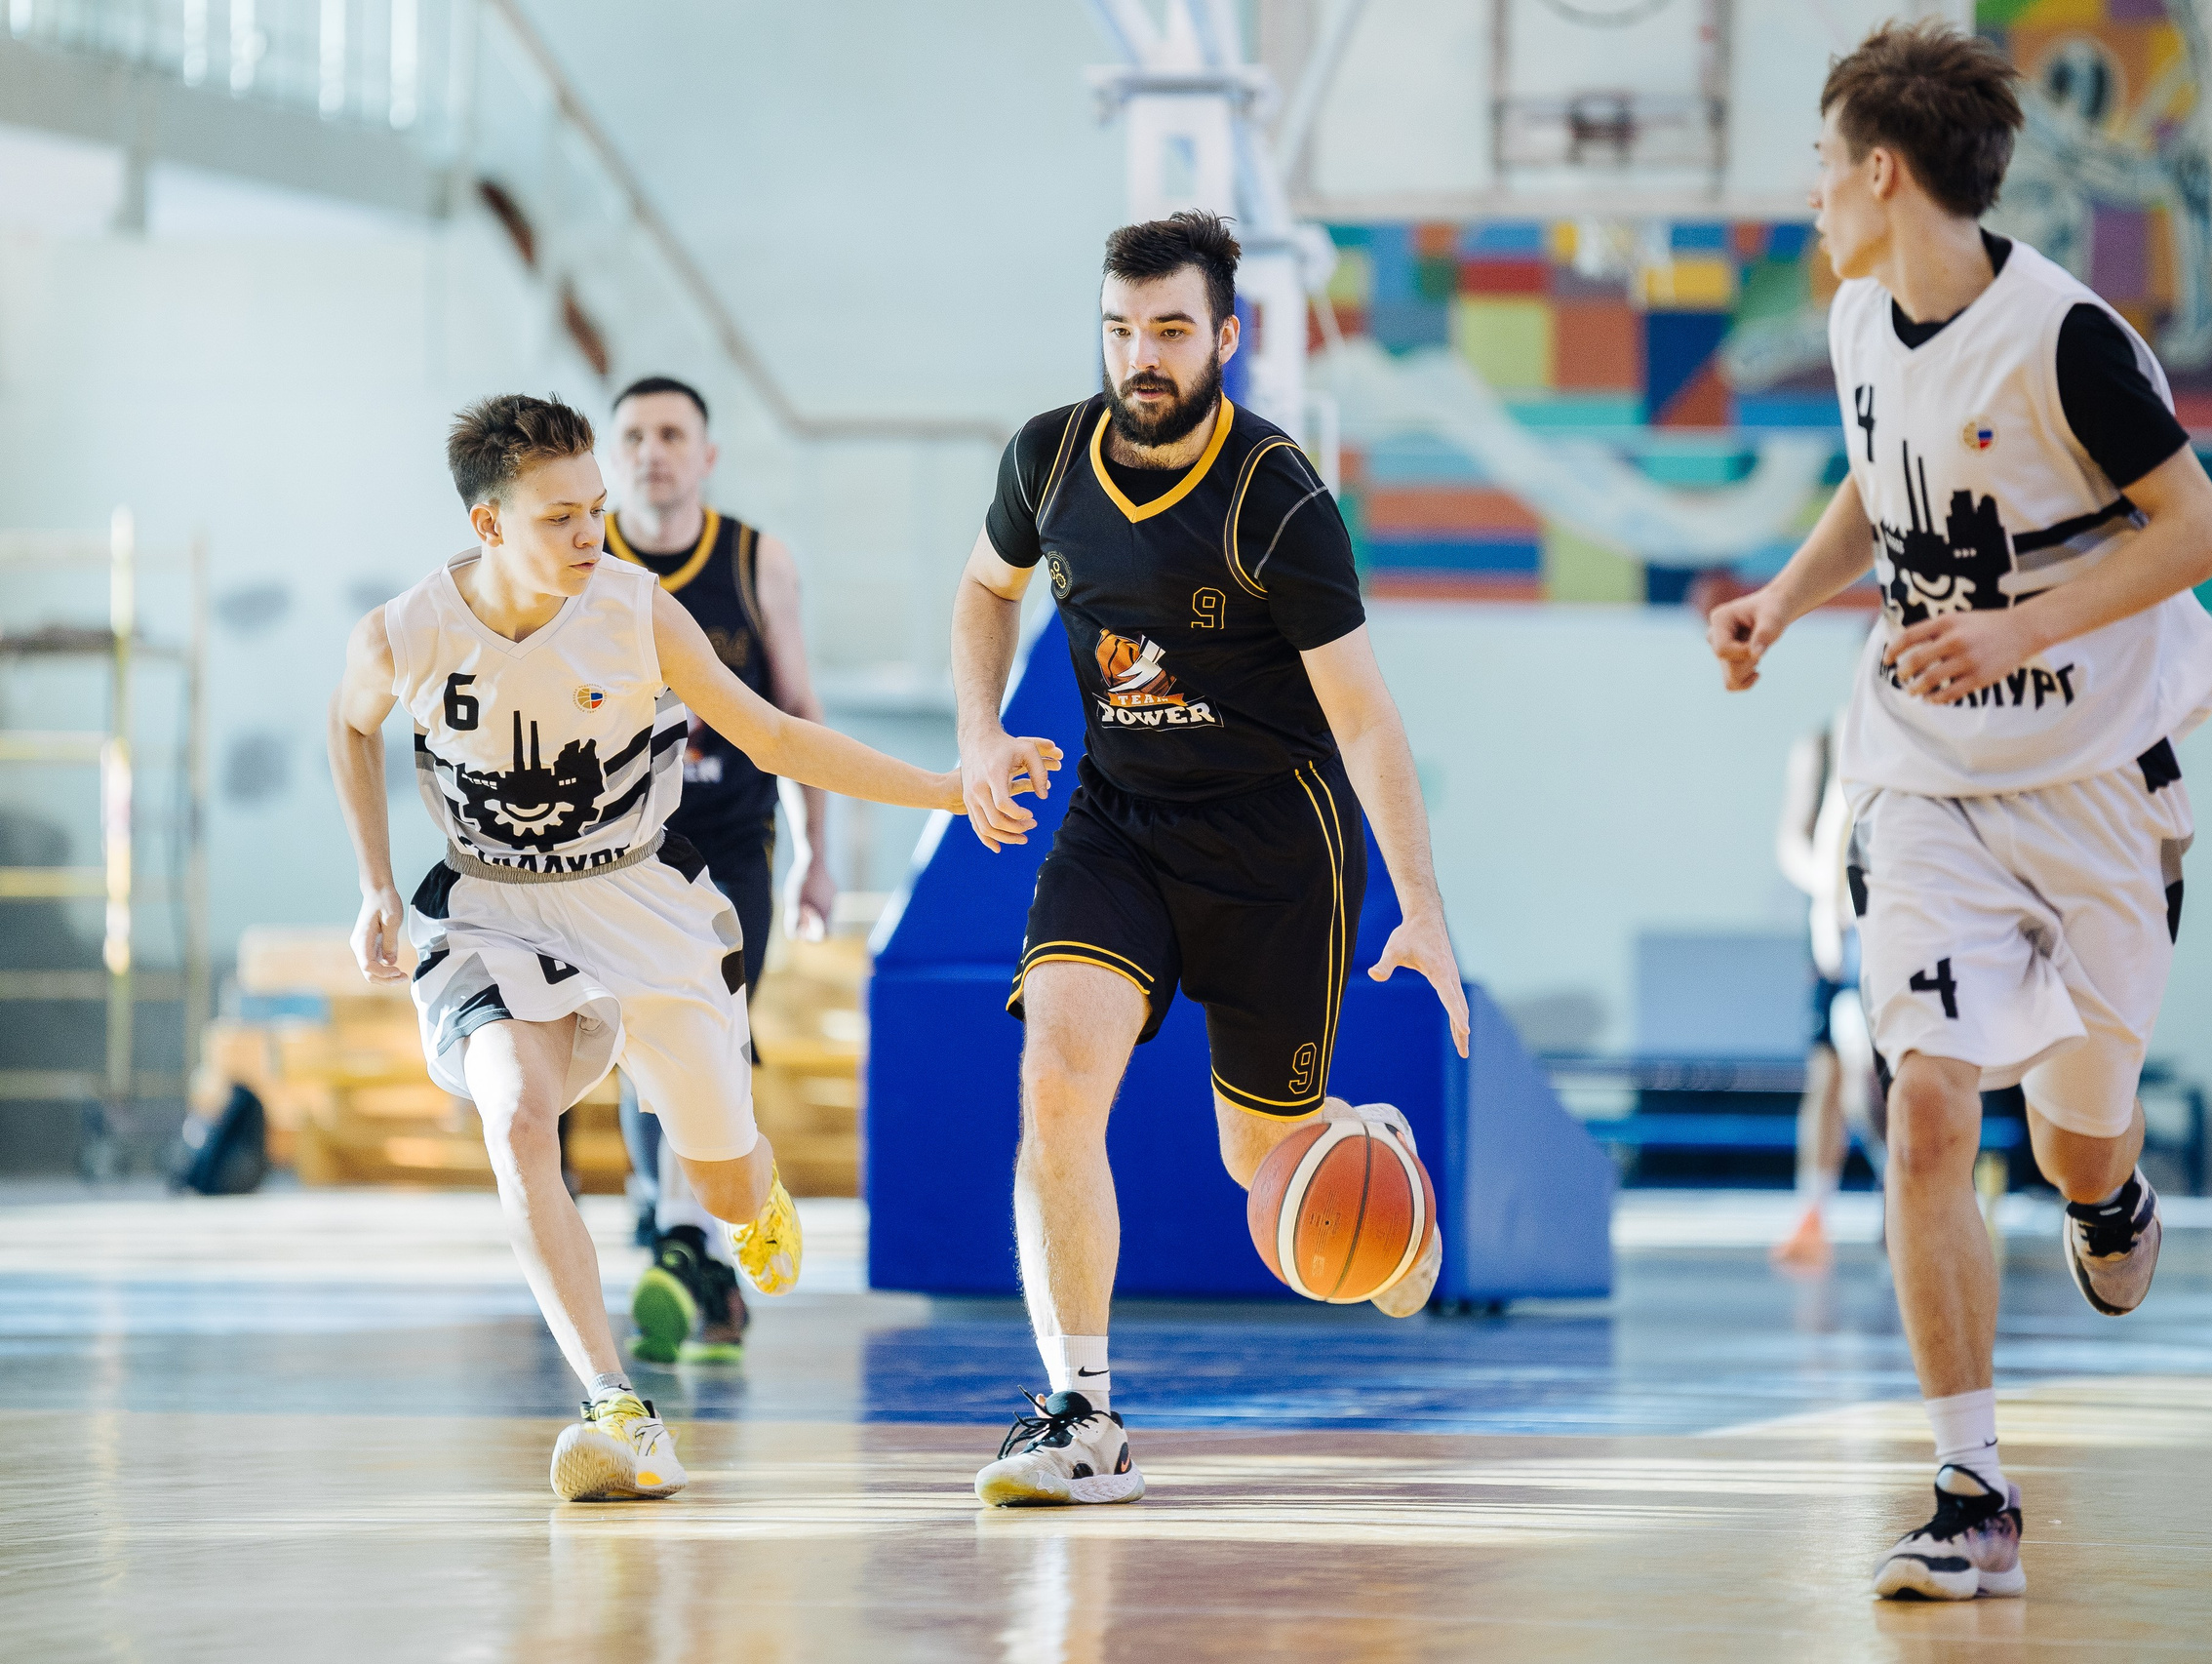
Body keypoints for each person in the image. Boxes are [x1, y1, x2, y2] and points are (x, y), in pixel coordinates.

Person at [1706, 23, 2212, 1600]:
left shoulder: (2066, 342)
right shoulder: (1860, 317)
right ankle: (1970, 1485)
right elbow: (1879, 480)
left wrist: (2018, 630)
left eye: (1821, 164)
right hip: (1925, 773)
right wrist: (1787, 599)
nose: (1809, 194)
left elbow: (2197, 527)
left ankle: (2111, 1187)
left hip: (2094, 786)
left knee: (2075, 1144)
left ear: (1882, 172)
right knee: (1925, 1102)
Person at [329, 393, 1049, 1500]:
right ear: (488, 526)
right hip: (489, 907)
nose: (592, 532)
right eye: (562, 517)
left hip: (637, 902)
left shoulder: (637, 610)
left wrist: (947, 789)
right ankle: (615, 1405)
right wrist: (376, 882)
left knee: (720, 1182)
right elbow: (349, 720)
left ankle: (752, 1185)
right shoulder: (404, 631)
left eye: (595, 508)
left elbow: (775, 734)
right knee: (517, 1118)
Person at [949, 212, 1470, 1508]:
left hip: (1275, 848)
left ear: (1226, 337)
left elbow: (1365, 717)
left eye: (1171, 329)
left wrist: (1422, 905)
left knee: (1264, 1171)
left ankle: (1366, 1155)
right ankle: (1082, 1414)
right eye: (1121, 329)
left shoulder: (1277, 498)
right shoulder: (1046, 458)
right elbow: (984, 589)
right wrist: (977, 731)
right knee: (1056, 1079)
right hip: (1119, 821)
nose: (1143, 355)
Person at [602, 375, 839, 1368]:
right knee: (637, 1039)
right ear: (612, 456)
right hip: (617, 848)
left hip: (733, 840)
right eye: (633, 435)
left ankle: (690, 1241)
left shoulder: (755, 561)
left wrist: (818, 852)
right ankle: (682, 1229)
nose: (652, 451)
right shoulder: (581, 559)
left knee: (711, 1027)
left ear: (705, 456)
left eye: (671, 434)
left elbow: (798, 713)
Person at [1770, 714, 1882, 1271]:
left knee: (1877, 1076)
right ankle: (1814, 1210)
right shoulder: (1822, 742)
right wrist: (1834, 883)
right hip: (1838, 930)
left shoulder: (1914, 733)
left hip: (1891, 927)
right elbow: (1792, 840)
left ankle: (1902, 1195)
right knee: (1829, 1071)